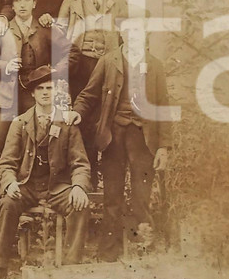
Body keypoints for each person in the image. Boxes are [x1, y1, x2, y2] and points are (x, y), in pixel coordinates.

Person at [0, 66, 91, 279]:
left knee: (80, 204)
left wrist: (78, 186)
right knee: (8, 203)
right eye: (40, 89)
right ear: (32, 93)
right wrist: (10, 182)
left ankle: (71, 267)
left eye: (50, 88)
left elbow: (81, 163)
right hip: (27, 185)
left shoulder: (66, 123)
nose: (46, 93)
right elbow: (6, 163)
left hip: (57, 187)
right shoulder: (20, 123)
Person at [72, 38, 172, 260]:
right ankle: (109, 252)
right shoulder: (108, 62)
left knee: (141, 195)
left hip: (144, 139)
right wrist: (77, 111)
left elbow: (164, 105)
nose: (133, 33)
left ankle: (141, 250)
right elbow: (89, 94)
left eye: (139, 28)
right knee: (112, 196)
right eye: (129, 29)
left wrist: (163, 146)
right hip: (114, 137)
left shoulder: (154, 65)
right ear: (123, 32)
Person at [0, 0, 79, 158]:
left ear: (34, 3)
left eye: (27, 0)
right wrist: (5, 66)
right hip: (8, 96)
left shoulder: (45, 27)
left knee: (38, 141)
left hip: (36, 95)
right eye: (18, 0)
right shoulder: (2, 30)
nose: (22, 4)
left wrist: (55, 72)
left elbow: (72, 52)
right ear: (12, 6)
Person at [47, 0, 126, 102]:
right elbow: (59, 33)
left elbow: (126, 33)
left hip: (108, 61)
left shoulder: (118, 0)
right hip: (79, 63)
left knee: (104, 103)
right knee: (79, 102)